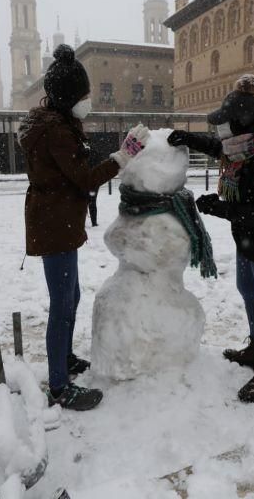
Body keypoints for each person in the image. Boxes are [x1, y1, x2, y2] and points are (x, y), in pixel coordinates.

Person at [18, 44, 150, 411]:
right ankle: (59, 386)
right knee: (62, 305)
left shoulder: (54, 124)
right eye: (84, 95)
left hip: (57, 219)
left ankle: (64, 359)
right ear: (68, 98)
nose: (88, 101)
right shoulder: (56, 132)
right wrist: (123, 156)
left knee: (70, 297)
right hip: (55, 223)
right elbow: (84, 179)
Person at [168, 74, 254, 403]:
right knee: (249, 292)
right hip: (247, 240)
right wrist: (188, 138)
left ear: (244, 123)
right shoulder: (244, 147)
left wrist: (220, 208)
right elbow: (219, 148)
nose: (222, 130)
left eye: (227, 123)